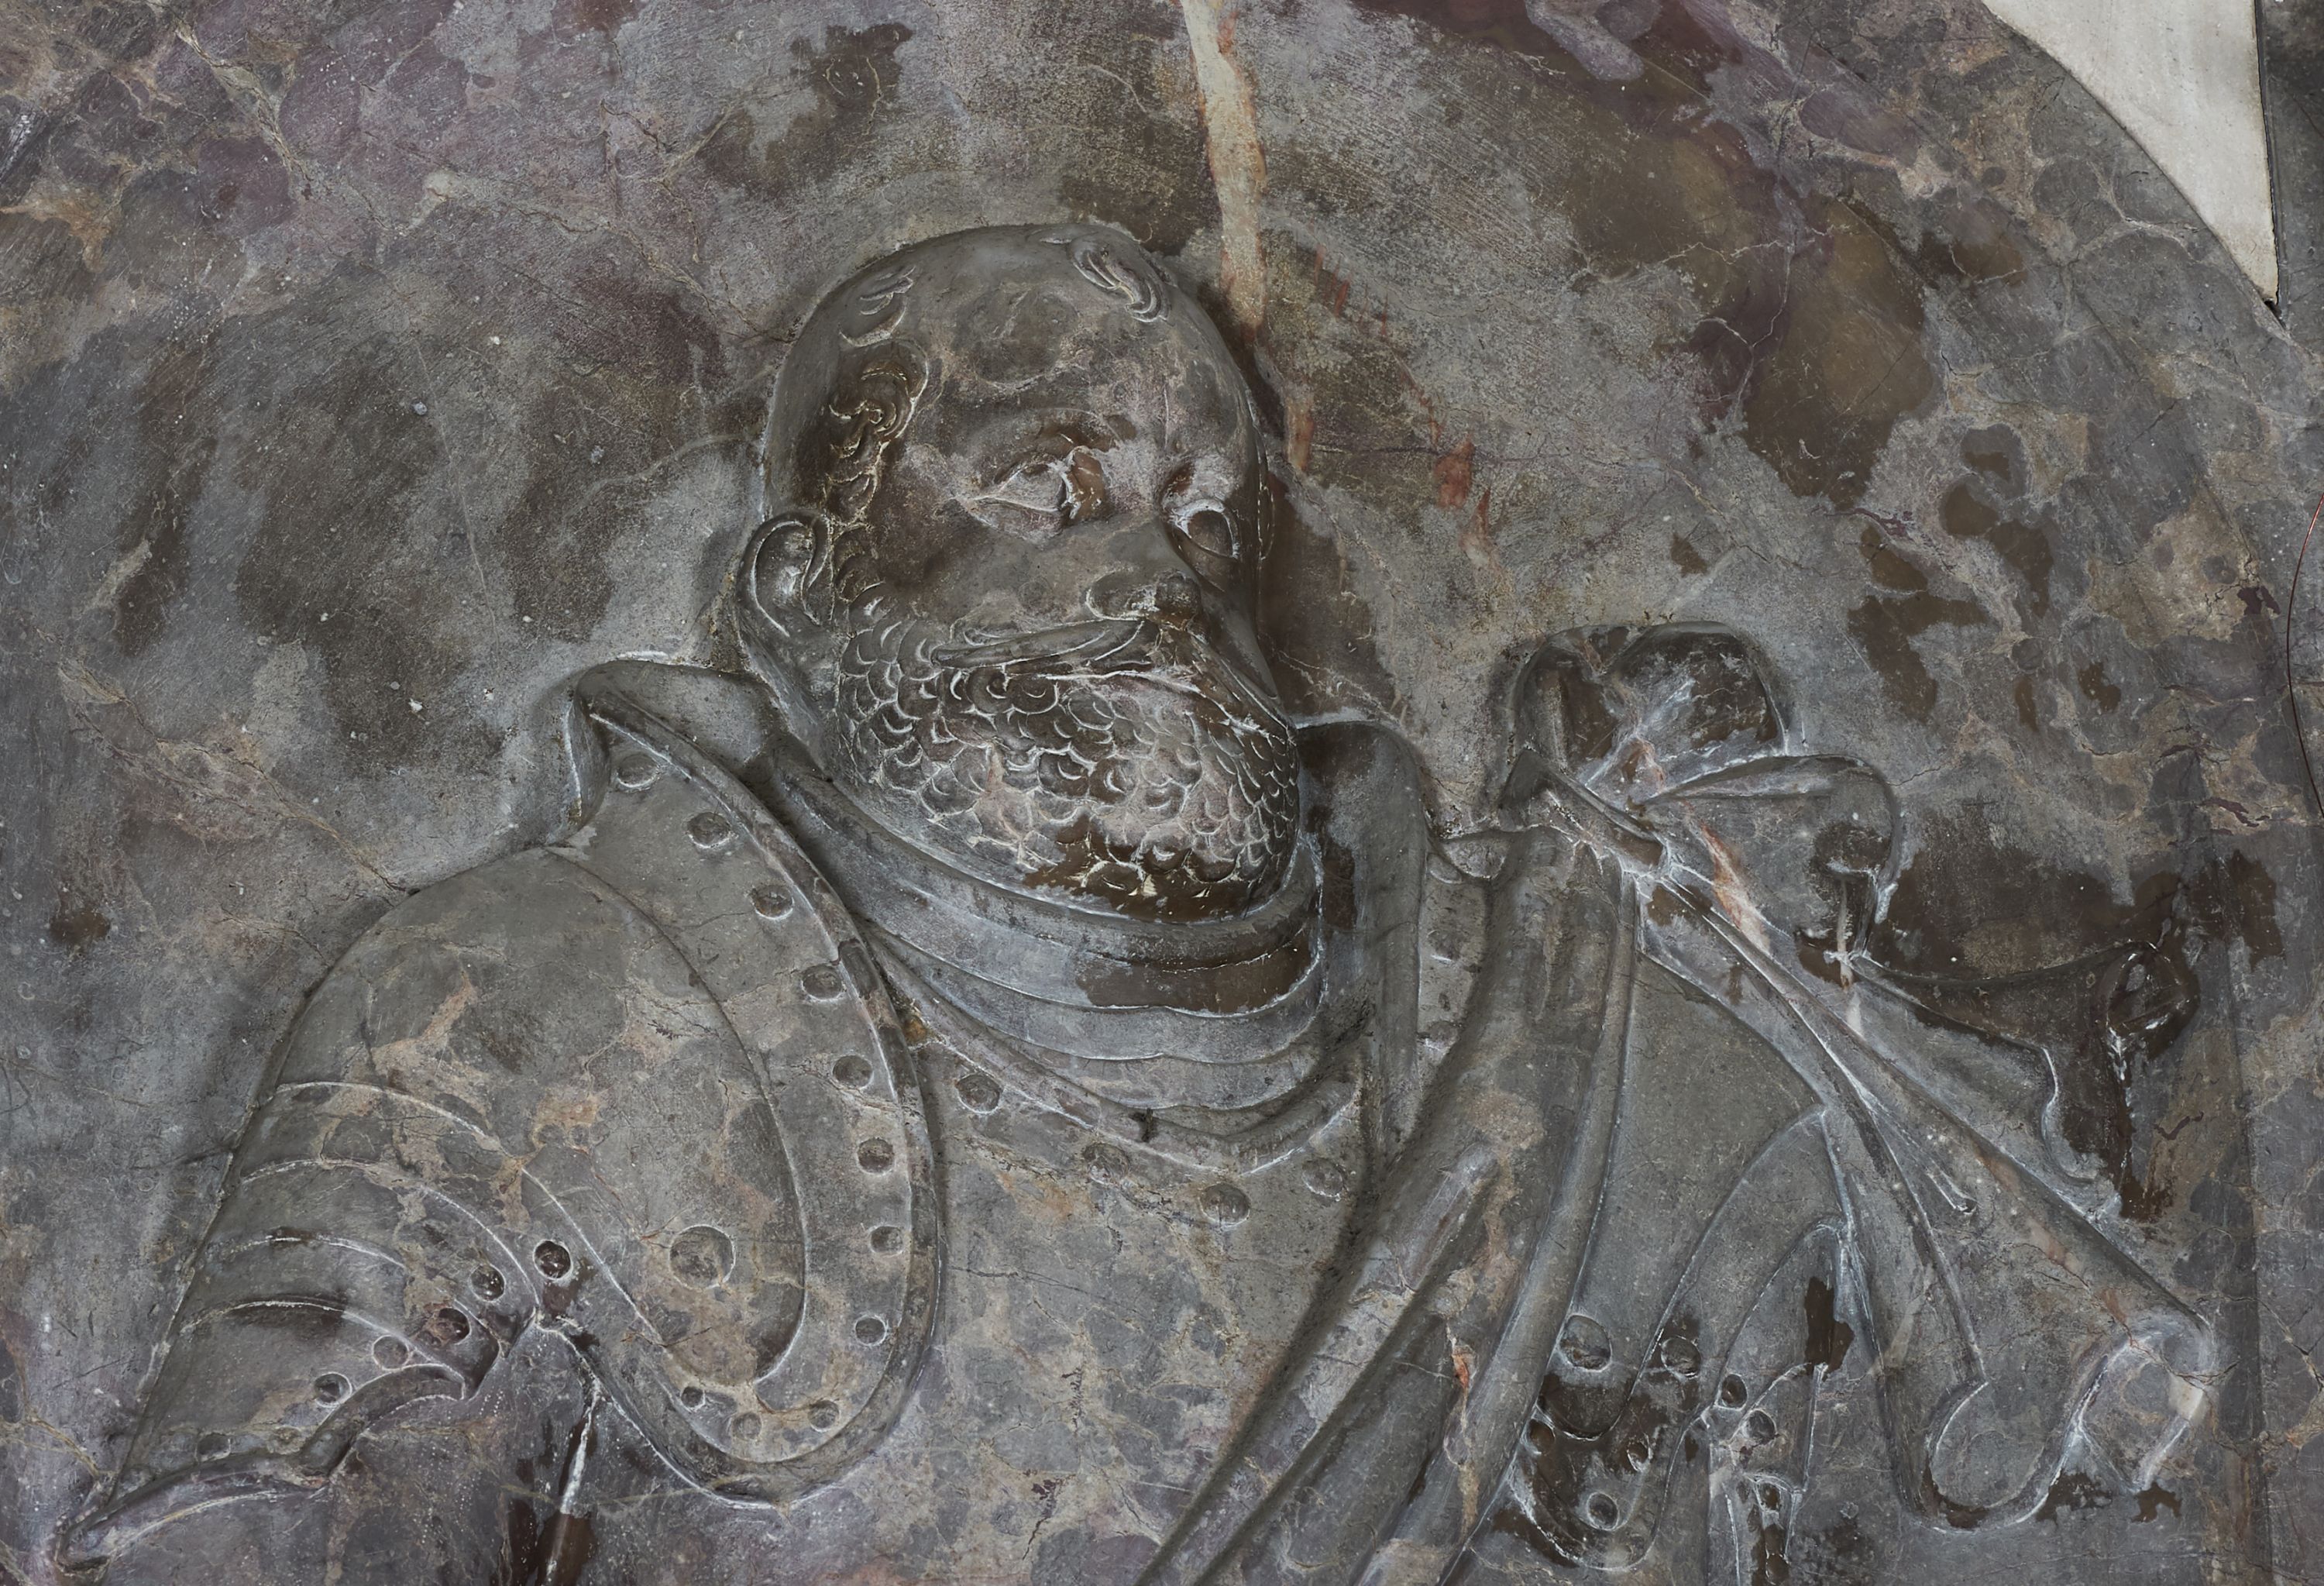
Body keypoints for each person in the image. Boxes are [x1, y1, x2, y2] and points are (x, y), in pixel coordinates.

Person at [67, 225, 2206, 1585]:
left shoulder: (1533, 1036)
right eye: (1052, 487)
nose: (1159, 572)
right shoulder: (522, 1019)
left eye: (1203, 517)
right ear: (802, 601)